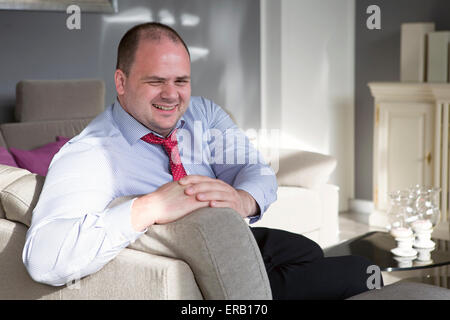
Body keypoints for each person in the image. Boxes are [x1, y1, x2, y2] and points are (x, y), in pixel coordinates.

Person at [22, 22, 379, 299]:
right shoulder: (92, 153)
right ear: (121, 81)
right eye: (156, 81)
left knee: (307, 250)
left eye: (181, 80)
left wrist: (242, 198)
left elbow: (255, 170)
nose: (172, 94)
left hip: (231, 239)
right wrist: (149, 207)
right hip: (194, 269)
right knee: (361, 271)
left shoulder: (202, 115)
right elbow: (43, 259)